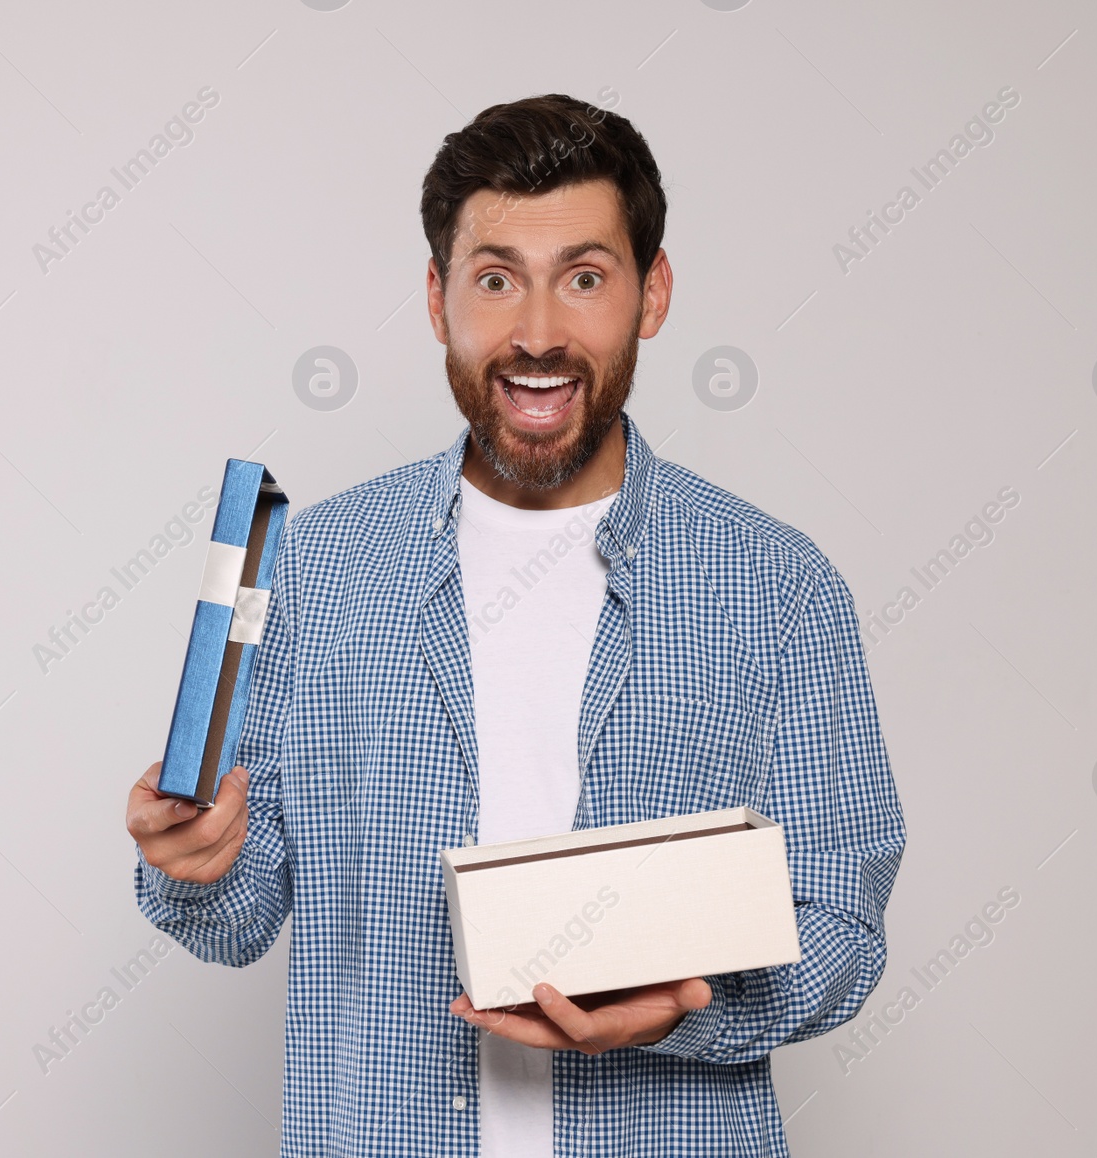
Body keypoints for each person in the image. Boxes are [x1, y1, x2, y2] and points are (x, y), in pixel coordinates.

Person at [126, 93, 905, 1158]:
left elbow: (840, 931)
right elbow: (243, 911)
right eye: (496, 280)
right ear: (440, 298)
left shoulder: (778, 588)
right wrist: (192, 861)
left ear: (652, 292)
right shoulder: (318, 564)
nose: (537, 334)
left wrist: (688, 1006)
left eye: (583, 278)